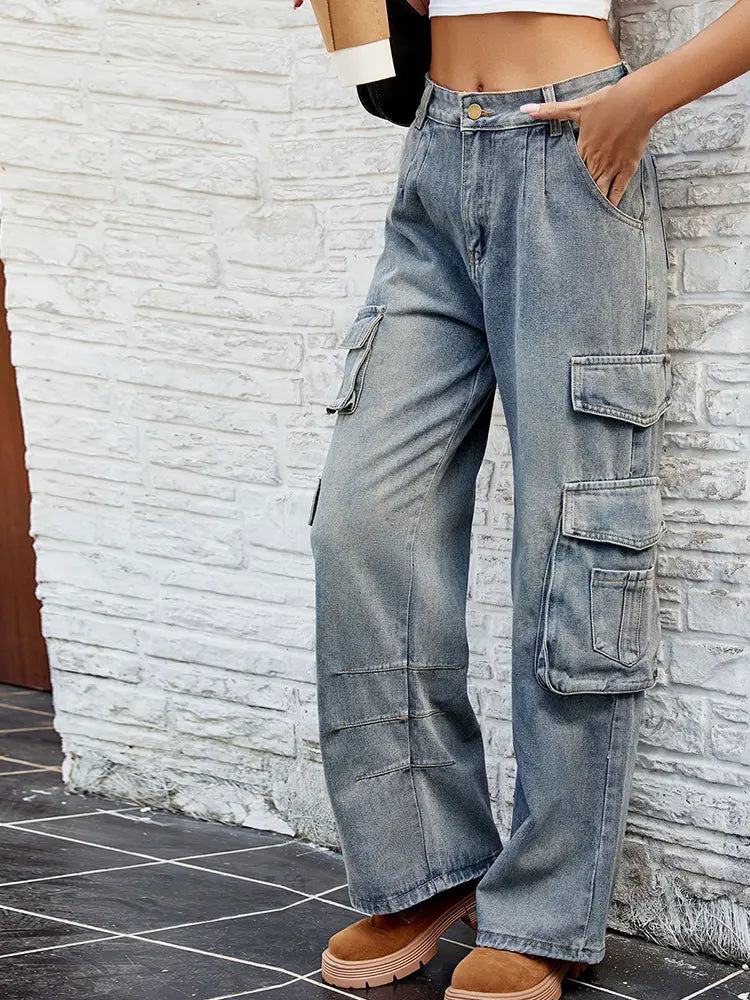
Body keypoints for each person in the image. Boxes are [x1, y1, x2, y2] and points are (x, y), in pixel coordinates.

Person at [296, 0, 750, 996]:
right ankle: (425, 863)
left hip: (572, 152)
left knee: (573, 536)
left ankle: (546, 906)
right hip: (435, 149)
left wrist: (641, 100)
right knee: (362, 523)